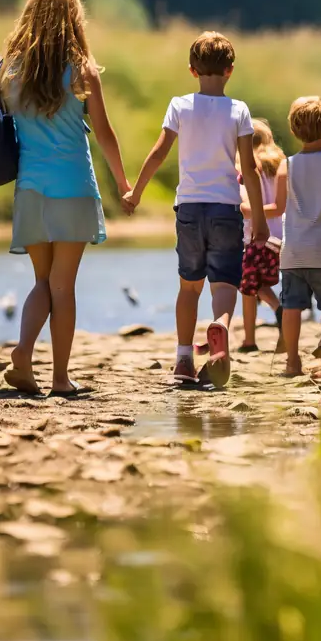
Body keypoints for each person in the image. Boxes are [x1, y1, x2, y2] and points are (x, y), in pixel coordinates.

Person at [0, 0, 130, 397]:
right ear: (74, 22)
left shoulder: (8, 70)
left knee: (41, 282)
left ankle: (24, 355)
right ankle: (60, 378)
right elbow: (103, 133)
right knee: (63, 286)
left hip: (30, 189)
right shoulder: (82, 72)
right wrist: (124, 184)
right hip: (73, 187)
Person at [123, 31, 268, 387]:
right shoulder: (239, 110)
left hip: (189, 207)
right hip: (225, 209)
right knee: (225, 284)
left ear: (192, 70)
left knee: (189, 287)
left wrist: (136, 192)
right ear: (230, 70)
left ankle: (184, 358)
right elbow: (248, 168)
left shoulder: (180, 105)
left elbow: (158, 153)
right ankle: (221, 323)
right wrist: (260, 219)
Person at [267, 96, 321, 379]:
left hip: (294, 252)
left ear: (293, 130)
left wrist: (248, 208)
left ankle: (292, 362)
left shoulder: (286, 165)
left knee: (291, 307)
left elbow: (276, 208)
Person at [238, 119, 285, 353]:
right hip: (278, 236)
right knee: (258, 284)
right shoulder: (279, 165)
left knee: (248, 286)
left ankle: (251, 338)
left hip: (254, 235)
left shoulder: (246, 166)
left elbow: (245, 204)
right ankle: (277, 313)